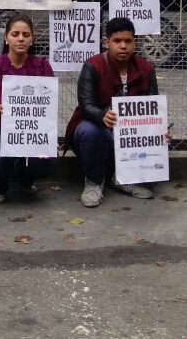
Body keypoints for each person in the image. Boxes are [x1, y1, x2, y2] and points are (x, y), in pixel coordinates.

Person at [65, 17, 161, 208]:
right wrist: (102, 116)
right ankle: (94, 181)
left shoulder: (146, 68)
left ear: (135, 42)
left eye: (128, 41)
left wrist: (160, 128)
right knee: (91, 131)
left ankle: (123, 179)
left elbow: (153, 107)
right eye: (117, 41)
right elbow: (86, 104)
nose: (123, 46)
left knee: (161, 136)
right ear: (106, 42)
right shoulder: (93, 66)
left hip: (130, 134)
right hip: (99, 130)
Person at [0, 13, 58, 202]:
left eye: (26, 35)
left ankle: (26, 178)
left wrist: (47, 138)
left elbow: (48, 107)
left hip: (32, 131)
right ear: (6, 37)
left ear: (32, 39)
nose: (20, 38)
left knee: (50, 160)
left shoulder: (43, 67)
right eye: (15, 34)